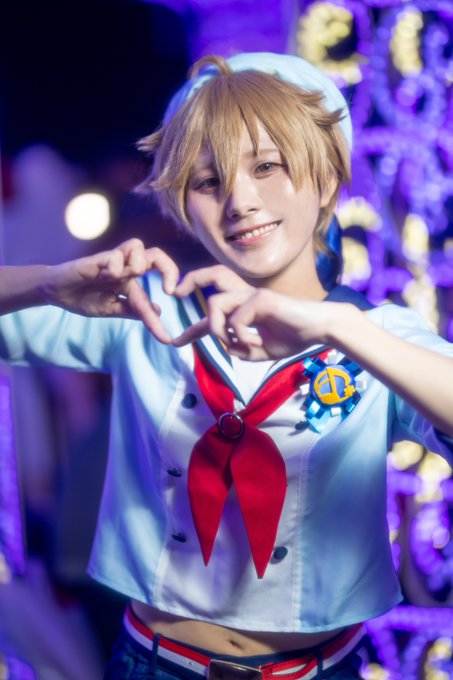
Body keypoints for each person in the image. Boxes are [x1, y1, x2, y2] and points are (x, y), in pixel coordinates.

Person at [0, 52, 452, 680]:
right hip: (153, 665)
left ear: (325, 181)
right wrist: (48, 282)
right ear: (183, 205)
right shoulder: (142, 309)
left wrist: (338, 326)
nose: (240, 201)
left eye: (267, 166)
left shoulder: (375, 335)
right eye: (208, 181)